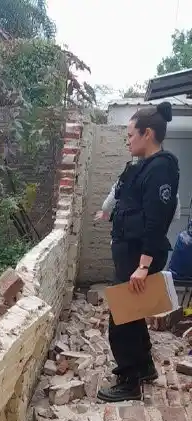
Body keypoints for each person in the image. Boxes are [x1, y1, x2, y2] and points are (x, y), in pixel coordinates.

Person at [98, 101, 180, 402]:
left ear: (147, 133)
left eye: (131, 135)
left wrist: (144, 266)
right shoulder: (142, 166)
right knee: (131, 314)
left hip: (139, 256)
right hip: (130, 254)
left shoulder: (161, 168)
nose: (127, 141)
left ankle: (129, 381)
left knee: (122, 317)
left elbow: (157, 221)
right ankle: (144, 367)